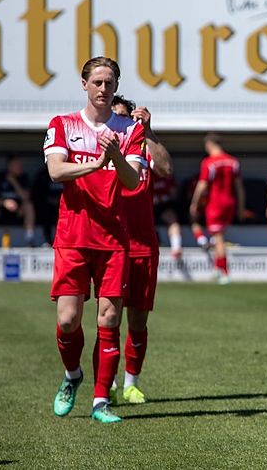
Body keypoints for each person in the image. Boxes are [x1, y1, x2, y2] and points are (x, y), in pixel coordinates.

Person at [43, 56, 146, 423]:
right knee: (68, 319)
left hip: (113, 238)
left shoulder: (129, 129)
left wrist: (115, 155)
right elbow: (56, 171)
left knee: (110, 318)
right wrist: (97, 163)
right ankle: (72, 376)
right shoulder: (62, 124)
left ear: (117, 86)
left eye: (110, 83)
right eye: (98, 82)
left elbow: (133, 181)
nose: (104, 89)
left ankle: (101, 401)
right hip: (73, 235)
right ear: (84, 84)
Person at [110, 95, 174, 405]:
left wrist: (148, 131)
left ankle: (130, 384)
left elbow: (166, 168)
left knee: (137, 320)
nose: (120, 122)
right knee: (109, 318)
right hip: (111, 246)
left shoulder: (142, 148)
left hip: (144, 247)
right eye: (115, 116)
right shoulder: (100, 147)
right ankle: (107, 383)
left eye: (125, 117)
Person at [189, 134, 245, 284]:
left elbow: (202, 185)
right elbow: (239, 187)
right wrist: (241, 207)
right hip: (230, 202)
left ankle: (224, 272)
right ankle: (217, 268)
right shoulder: (233, 162)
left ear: (209, 144)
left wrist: (194, 203)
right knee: (218, 235)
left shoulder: (209, 162)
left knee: (218, 238)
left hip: (216, 203)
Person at [0, 154, 36, 247]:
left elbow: (26, 197)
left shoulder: (23, 178)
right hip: (1, 211)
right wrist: (4, 203)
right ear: (9, 166)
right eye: (17, 164)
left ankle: (29, 239)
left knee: (29, 206)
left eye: (20, 164)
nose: (20, 167)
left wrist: (13, 181)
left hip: (18, 211)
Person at [151, 170, 183, 260]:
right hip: (149, 207)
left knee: (172, 220)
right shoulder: (146, 175)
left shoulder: (166, 177)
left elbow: (174, 194)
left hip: (164, 207)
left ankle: (176, 247)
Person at [32, 165, 63, 247]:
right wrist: (49, 199)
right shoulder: (43, 175)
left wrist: (59, 200)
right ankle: (47, 239)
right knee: (46, 211)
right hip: (47, 204)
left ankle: (61, 239)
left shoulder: (67, 172)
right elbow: (37, 193)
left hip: (64, 203)